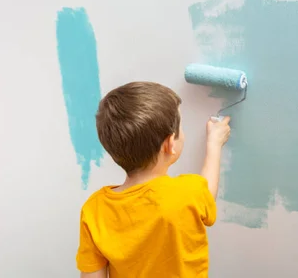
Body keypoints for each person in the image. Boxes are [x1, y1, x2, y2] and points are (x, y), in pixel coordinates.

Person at [76, 82, 231, 278]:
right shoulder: (187, 193)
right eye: (180, 128)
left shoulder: (94, 209)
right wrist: (214, 143)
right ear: (169, 144)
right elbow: (208, 190)